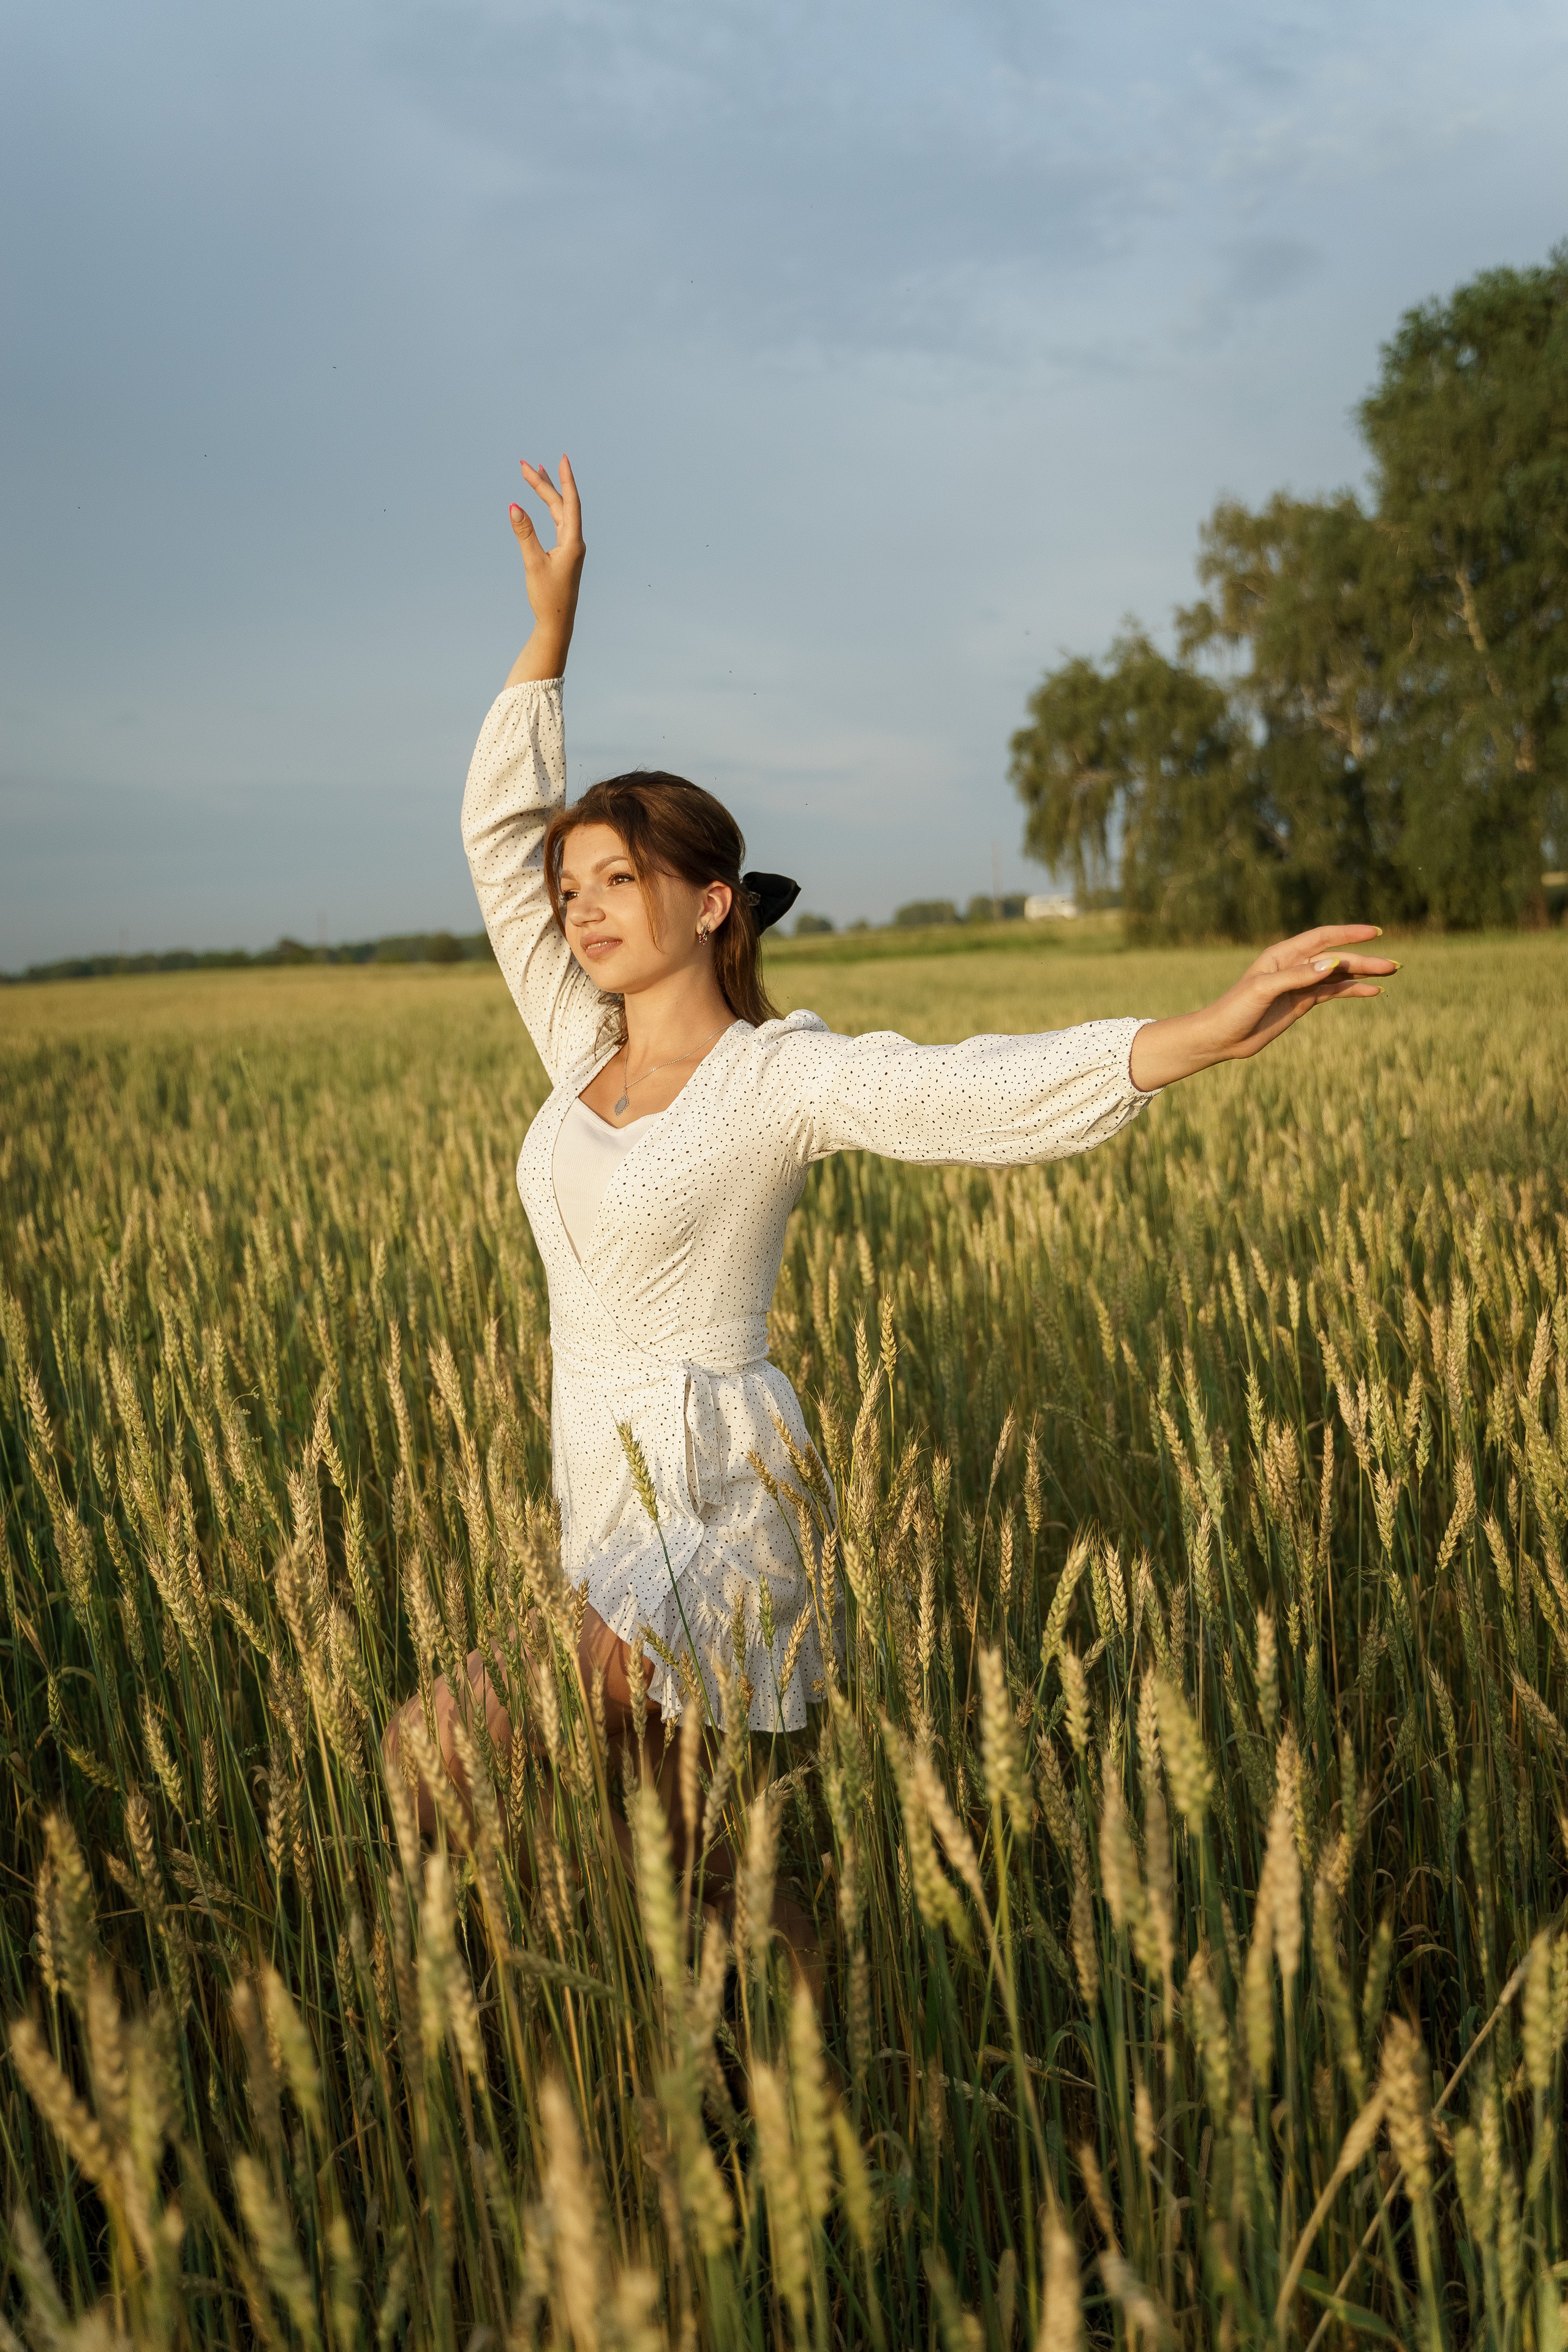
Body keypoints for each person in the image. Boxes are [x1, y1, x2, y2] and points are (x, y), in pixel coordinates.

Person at [385, 452, 1396, 1880]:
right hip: (597, 1500)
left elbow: (961, 1090)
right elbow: (500, 847)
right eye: (574, 891)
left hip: (714, 1504)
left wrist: (1203, 1035)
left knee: (430, 1751)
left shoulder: (771, 1078)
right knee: (702, 1887)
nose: (581, 910)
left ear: (708, 898)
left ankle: (458, 2026)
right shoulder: (574, 1047)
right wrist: (549, 629)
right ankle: (801, 2092)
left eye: (617, 879)